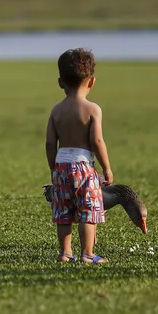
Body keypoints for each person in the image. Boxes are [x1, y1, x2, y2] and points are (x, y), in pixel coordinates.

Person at [45, 48, 113, 264]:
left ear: (60, 82)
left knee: (63, 211)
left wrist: (54, 168)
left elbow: (49, 143)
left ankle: (65, 253)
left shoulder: (56, 111)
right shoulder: (93, 109)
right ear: (91, 82)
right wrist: (106, 168)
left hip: (61, 165)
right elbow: (97, 142)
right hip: (84, 167)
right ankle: (87, 253)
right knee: (88, 209)